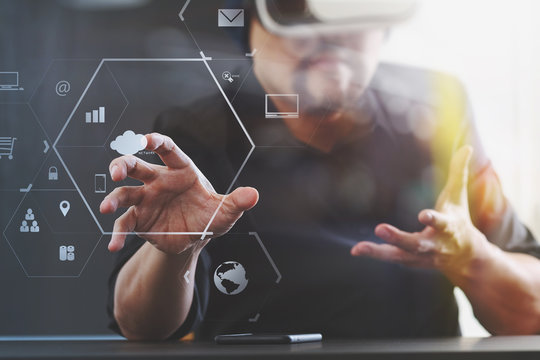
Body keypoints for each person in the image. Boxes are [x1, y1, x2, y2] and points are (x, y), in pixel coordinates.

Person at [104, 1, 540, 340]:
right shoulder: (197, 133)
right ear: (251, 29)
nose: (329, 33)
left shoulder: (437, 109)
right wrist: (174, 250)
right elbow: (139, 323)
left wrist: (474, 260)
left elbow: (531, 309)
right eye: (297, 10)